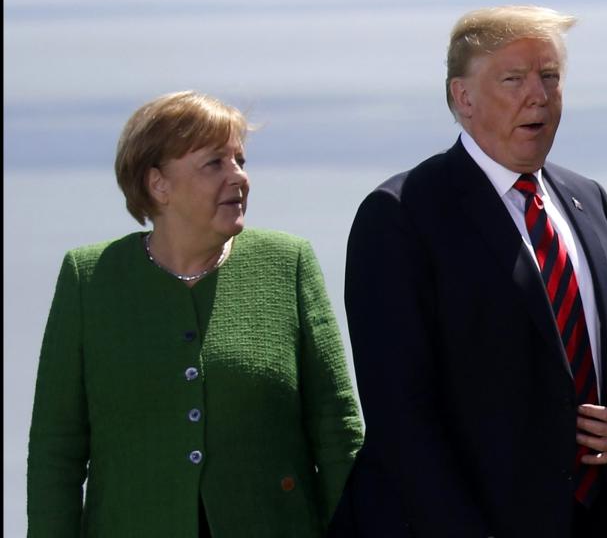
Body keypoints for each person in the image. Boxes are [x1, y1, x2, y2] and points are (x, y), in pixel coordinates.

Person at [330, 5, 607, 538]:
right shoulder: (402, 214)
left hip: (591, 519)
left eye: (550, 77)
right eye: (514, 80)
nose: (538, 95)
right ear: (462, 98)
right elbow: (402, 415)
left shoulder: (588, 199)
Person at [26, 91, 364, 536]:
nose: (239, 177)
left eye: (240, 160)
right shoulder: (88, 278)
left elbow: (336, 427)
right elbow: (57, 451)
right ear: (158, 184)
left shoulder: (287, 261)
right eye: (215, 164)